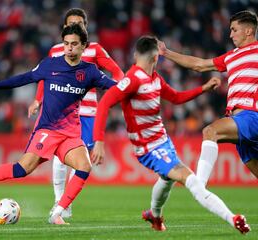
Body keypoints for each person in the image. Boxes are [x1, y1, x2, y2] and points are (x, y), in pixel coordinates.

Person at [0, 24, 117, 225]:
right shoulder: (50, 64)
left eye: (74, 44)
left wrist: (136, 87)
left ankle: (57, 212)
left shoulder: (90, 72)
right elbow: (25, 78)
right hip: (48, 130)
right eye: (66, 44)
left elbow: (116, 89)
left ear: (83, 47)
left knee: (84, 166)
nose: (69, 48)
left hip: (71, 133)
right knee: (22, 169)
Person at [92, 36, 250, 234]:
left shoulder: (156, 79)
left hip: (163, 141)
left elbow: (175, 97)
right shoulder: (132, 80)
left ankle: (154, 215)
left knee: (167, 179)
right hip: (148, 148)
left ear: (136, 55)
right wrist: (98, 140)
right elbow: (105, 102)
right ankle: (233, 218)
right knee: (190, 179)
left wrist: (203, 88)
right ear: (156, 58)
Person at [28, 8, 124, 218]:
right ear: (64, 27)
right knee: (61, 157)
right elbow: (45, 77)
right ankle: (60, 203)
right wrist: (37, 99)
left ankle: (64, 202)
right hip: (61, 111)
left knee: (78, 159)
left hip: (88, 111)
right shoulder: (55, 50)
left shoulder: (95, 49)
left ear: (85, 27)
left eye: (80, 23)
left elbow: (116, 70)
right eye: (71, 23)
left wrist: (118, 88)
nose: (75, 26)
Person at [158, 10, 258, 185]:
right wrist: (166, 53)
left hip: (251, 116)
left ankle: (199, 186)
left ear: (248, 31)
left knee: (210, 131)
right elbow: (199, 65)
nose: (230, 34)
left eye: (234, 29)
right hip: (238, 120)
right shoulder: (231, 56)